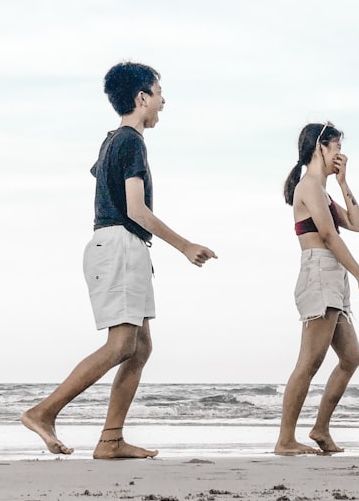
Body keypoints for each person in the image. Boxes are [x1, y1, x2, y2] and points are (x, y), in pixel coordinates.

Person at [21, 62, 217, 459]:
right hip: (119, 244)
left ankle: (111, 439)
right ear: (142, 98)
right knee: (120, 344)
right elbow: (136, 209)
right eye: (159, 93)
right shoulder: (130, 141)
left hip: (123, 246)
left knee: (139, 347)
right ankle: (43, 412)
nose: (163, 101)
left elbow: (102, 179)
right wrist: (184, 245)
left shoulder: (113, 140)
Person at [274, 122, 359, 455]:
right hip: (319, 271)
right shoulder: (307, 186)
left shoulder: (324, 192)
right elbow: (330, 237)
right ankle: (285, 440)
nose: (340, 155)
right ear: (320, 147)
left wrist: (345, 182)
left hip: (333, 275)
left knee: (351, 357)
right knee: (310, 361)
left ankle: (320, 429)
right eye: (335, 147)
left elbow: (358, 224)